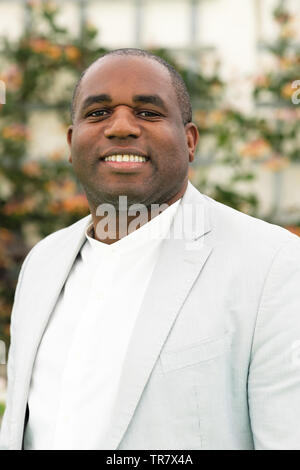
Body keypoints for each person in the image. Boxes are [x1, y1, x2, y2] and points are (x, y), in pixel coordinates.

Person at [1, 48, 300, 451]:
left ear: (190, 141)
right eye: (97, 113)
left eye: (147, 112)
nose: (121, 126)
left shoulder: (272, 264)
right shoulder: (43, 263)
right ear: (72, 144)